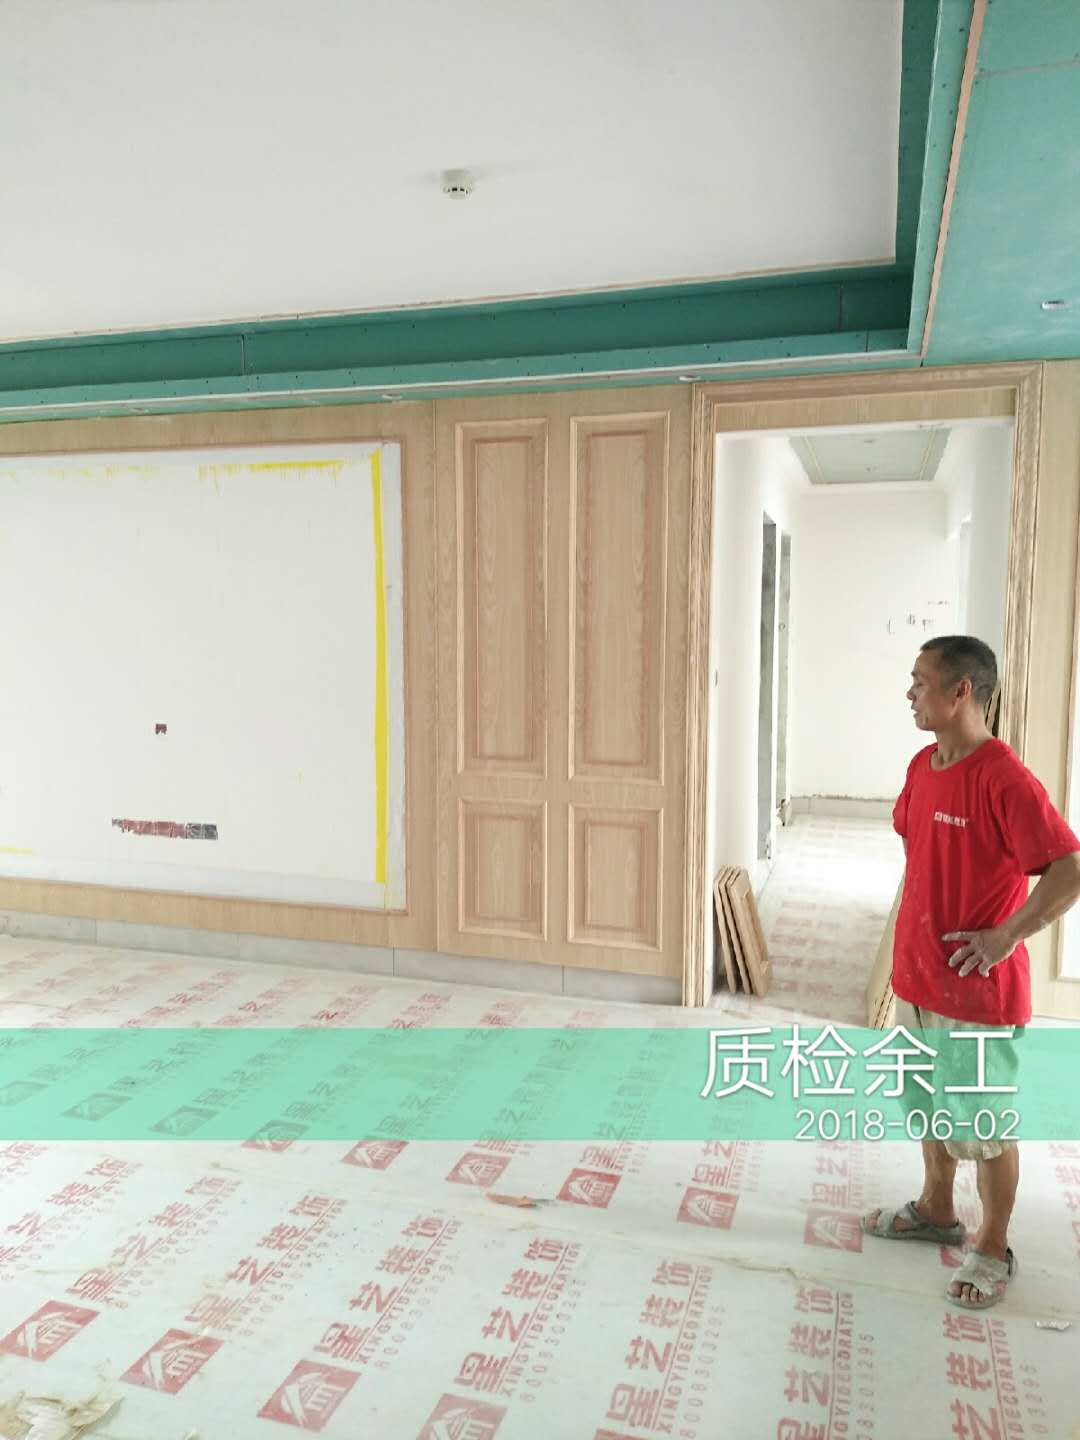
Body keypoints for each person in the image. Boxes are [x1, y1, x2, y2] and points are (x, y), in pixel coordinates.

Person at [862, 635, 1080, 1308]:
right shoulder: (922, 765)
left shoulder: (1003, 778)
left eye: (921, 681)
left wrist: (1006, 936)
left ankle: (993, 1245)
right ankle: (936, 1208)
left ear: (961, 691)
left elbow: (1069, 869)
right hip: (917, 980)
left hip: (976, 997)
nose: (909, 693)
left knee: (982, 1126)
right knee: (929, 1108)